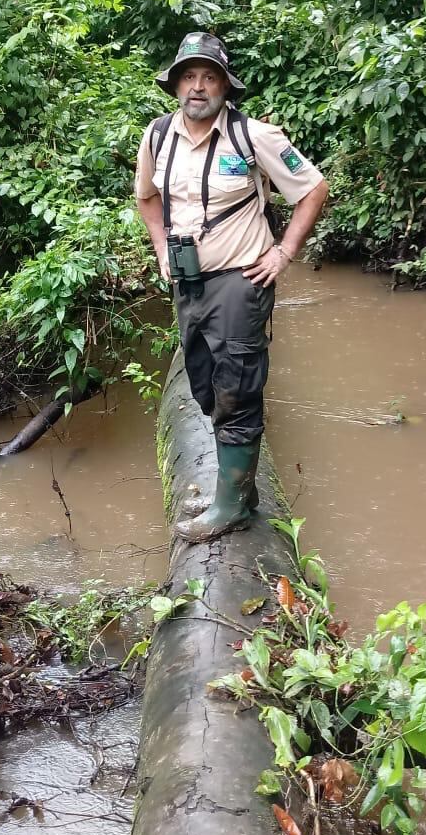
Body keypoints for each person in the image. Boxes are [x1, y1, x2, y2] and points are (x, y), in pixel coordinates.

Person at [135, 33, 329, 543]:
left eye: (210, 76)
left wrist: (284, 252)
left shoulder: (254, 137)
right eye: (190, 76)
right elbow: (148, 200)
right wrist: (160, 251)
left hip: (242, 281)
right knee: (203, 384)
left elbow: (314, 188)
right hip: (188, 283)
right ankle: (239, 489)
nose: (198, 87)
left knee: (237, 390)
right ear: (177, 84)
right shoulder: (157, 136)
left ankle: (231, 508)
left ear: (224, 84)